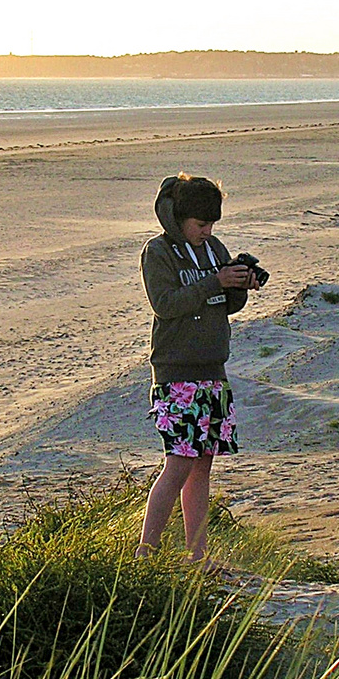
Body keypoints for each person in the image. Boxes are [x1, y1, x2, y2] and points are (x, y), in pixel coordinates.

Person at [135, 173, 260, 564]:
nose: (207, 232)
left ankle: (197, 556)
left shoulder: (214, 248)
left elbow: (224, 305)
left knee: (202, 466)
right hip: (177, 372)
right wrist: (214, 281)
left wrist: (239, 286)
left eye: (212, 225)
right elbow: (166, 304)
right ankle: (146, 554)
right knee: (180, 462)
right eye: (201, 225)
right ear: (179, 218)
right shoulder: (158, 252)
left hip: (213, 369)